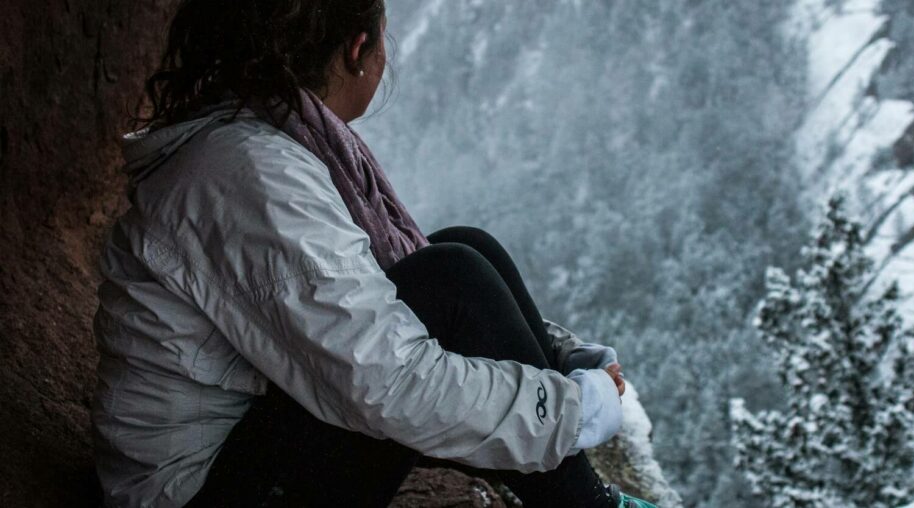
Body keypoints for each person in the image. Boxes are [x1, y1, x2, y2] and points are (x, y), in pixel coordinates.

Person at [88, 1, 656, 506]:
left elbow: (365, 295)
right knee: (452, 276)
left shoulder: (259, 146)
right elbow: (389, 382)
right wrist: (571, 410)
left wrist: (559, 358)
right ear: (359, 49)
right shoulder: (257, 175)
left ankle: (584, 495)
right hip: (197, 491)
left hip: (237, 445)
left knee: (460, 252)